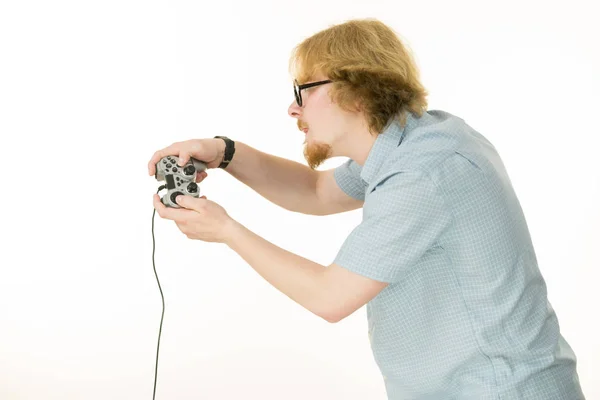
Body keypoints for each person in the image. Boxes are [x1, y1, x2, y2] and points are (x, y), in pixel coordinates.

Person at [148, 18, 585, 400]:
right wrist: (224, 152)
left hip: (497, 391)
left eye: (304, 90)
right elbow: (316, 191)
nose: (293, 108)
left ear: (356, 91)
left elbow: (330, 296)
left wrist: (227, 230)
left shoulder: (423, 173)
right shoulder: (414, 141)